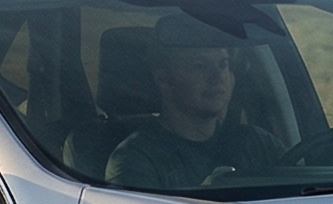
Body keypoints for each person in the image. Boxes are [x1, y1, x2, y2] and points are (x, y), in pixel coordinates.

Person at [105, 15, 283, 190]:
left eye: (223, 64)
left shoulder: (260, 144)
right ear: (164, 80)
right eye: (199, 66)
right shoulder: (136, 160)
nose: (217, 77)